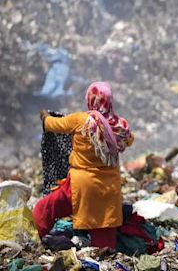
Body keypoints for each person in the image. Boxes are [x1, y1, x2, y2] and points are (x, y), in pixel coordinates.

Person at [33, 81, 134, 249]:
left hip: (81, 186)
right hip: (109, 189)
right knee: (104, 240)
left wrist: (45, 116)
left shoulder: (81, 120)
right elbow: (129, 140)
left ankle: (32, 240)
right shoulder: (120, 125)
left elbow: (52, 125)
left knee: (45, 208)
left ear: (90, 99)